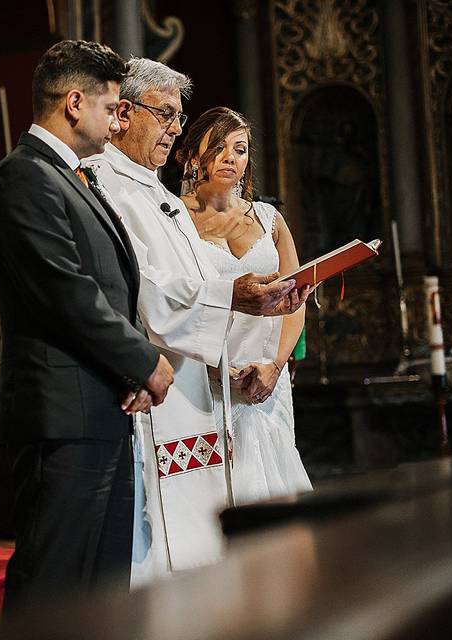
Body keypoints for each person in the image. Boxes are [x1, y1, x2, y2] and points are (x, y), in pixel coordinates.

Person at [86, 59, 309, 586]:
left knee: (233, 527)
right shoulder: (107, 184)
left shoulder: (156, 195)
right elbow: (148, 289)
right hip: (177, 381)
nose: (174, 127)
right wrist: (231, 298)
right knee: (175, 538)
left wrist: (272, 360)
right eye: (165, 115)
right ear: (122, 113)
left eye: (178, 116)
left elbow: (290, 296)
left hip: (226, 382)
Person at [0, 41, 175, 611]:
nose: (119, 124)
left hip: (100, 407)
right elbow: (66, 294)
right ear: (73, 103)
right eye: (113, 108)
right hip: (61, 415)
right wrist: (143, 361)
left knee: (100, 592)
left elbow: (112, 290)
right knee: (56, 587)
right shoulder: (24, 178)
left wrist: (128, 369)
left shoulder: (73, 179)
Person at [177, 106, 313, 506]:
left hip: (268, 377)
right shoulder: (173, 219)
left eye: (239, 149)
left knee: (276, 484)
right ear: (191, 155)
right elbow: (174, 298)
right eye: (218, 147)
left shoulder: (270, 219)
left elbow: (296, 297)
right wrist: (213, 368)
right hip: (209, 377)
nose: (230, 158)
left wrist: (275, 366)